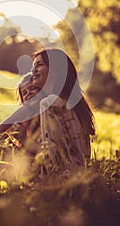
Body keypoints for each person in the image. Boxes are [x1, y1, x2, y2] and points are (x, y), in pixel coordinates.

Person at [31, 48, 95, 176]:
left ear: (55, 71)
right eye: (33, 66)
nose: (33, 70)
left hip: (63, 176)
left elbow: (52, 153)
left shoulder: (50, 102)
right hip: (79, 174)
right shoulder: (72, 103)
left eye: (40, 64)